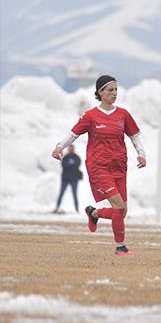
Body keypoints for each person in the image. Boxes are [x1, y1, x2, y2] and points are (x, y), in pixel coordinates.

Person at [51, 74, 146, 256]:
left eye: (116, 89)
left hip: (119, 167)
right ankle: (121, 247)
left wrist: (141, 154)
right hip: (99, 168)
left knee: (122, 211)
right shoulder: (91, 116)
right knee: (118, 207)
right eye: (110, 90)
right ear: (100, 92)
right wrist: (59, 147)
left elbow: (134, 135)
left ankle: (94, 214)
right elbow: (73, 134)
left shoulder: (123, 114)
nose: (114, 93)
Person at [53, 145, 82, 213]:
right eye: (70, 148)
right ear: (68, 149)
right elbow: (64, 165)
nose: (71, 150)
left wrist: (70, 166)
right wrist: (72, 166)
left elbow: (77, 165)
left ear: (74, 149)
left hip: (74, 179)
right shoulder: (66, 157)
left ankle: (77, 210)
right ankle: (57, 207)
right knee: (61, 194)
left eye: (72, 148)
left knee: (75, 195)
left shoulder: (77, 157)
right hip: (65, 179)